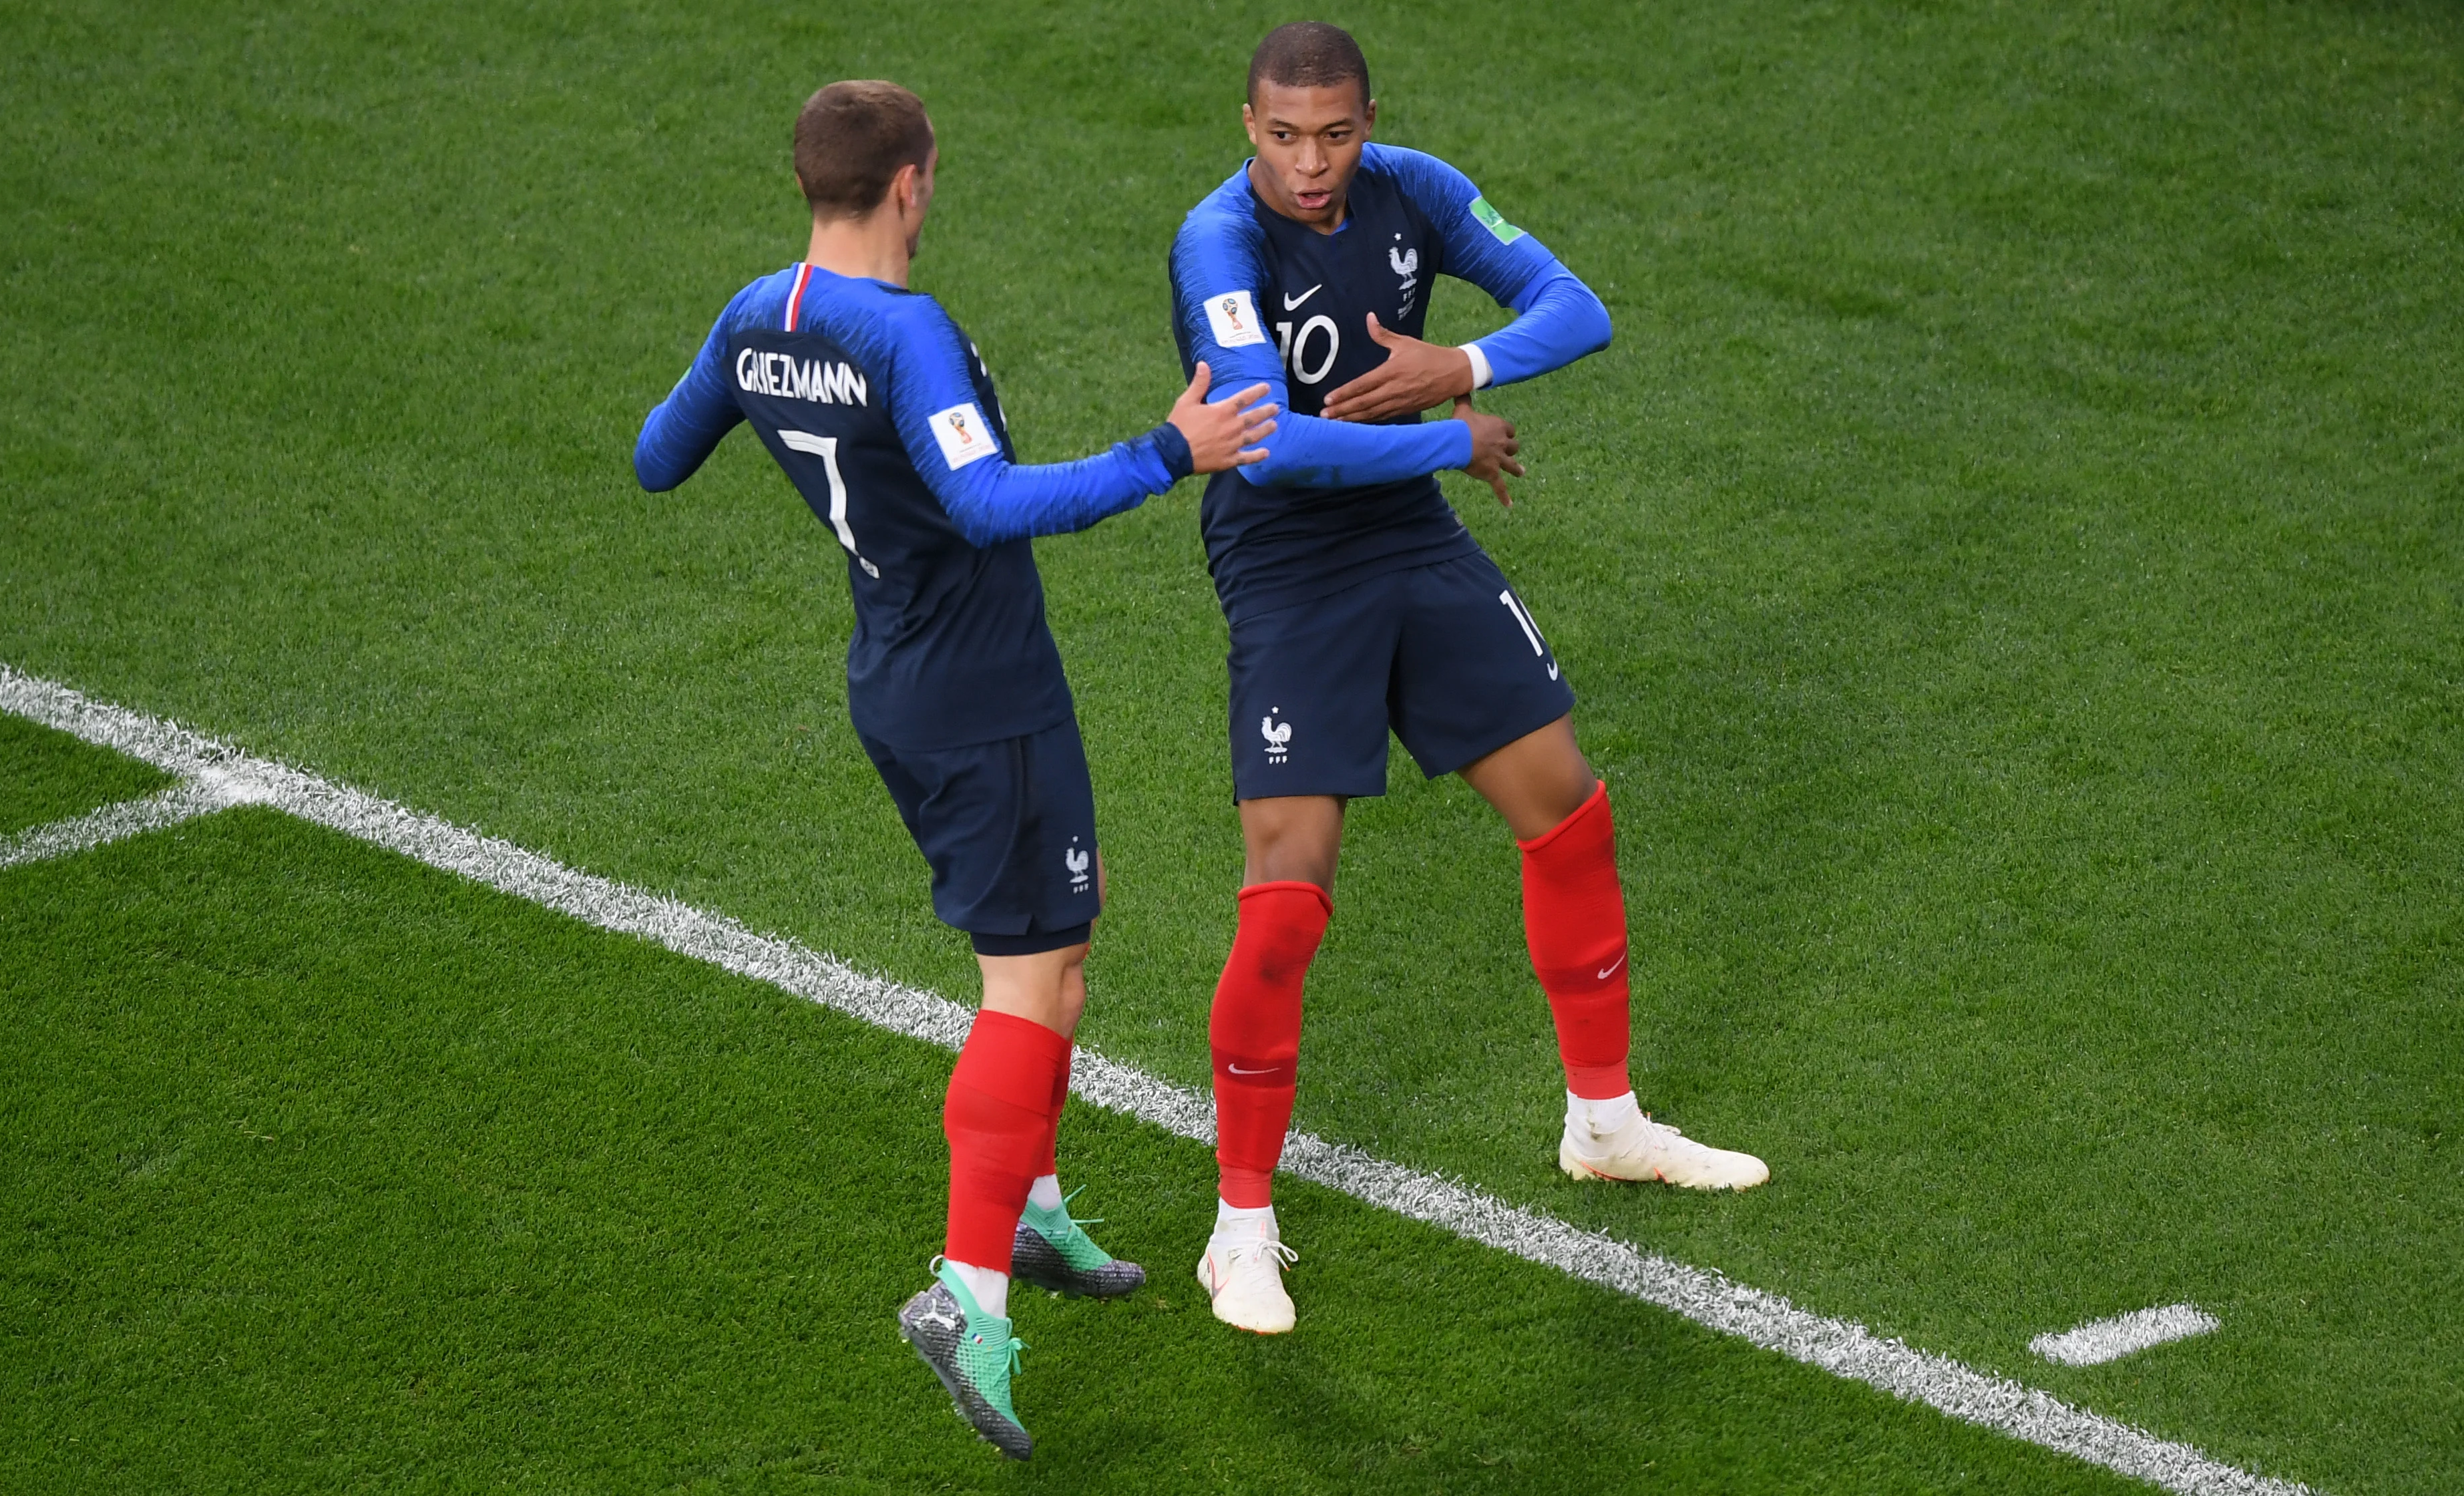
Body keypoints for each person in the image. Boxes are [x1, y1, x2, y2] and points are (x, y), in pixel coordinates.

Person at [634, 79, 1277, 1456]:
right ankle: (965, 1290)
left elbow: (654, 457)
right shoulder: (902, 332)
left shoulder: (758, 315)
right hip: (985, 700)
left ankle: (1028, 1207)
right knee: (1026, 986)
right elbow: (988, 503)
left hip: (899, 684)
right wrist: (1174, 449)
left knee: (1064, 945)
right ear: (912, 182)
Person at [1167, 23, 1770, 1337]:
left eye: (1334, 134)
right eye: (1283, 136)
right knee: (1285, 896)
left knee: (1565, 803)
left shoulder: (1419, 189)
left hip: (1407, 541)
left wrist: (1466, 365)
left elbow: (1575, 306)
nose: (1310, 162)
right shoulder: (1216, 246)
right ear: (1247, 125)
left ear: (1367, 120)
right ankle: (1240, 1230)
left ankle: (1602, 1124)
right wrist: (1446, 436)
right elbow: (1263, 453)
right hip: (1285, 569)